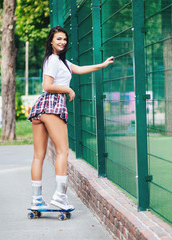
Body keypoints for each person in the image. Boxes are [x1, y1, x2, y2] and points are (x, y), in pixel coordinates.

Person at [27, 26, 114, 211]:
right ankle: (59, 197)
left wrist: (103, 64)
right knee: (63, 151)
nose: (62, 42)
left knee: (38, 155)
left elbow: (81, 69)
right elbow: (47, 85)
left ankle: (36, 199)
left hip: (41, 108)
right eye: (58, 39)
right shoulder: (52, 60)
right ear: (51, 41)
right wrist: (67, 89)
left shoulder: (63, 62)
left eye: (64, 39)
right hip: (52, 105)